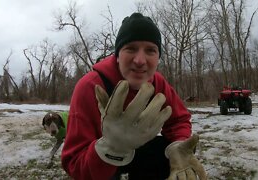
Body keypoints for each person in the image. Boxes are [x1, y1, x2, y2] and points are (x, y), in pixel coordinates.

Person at [61, 12, 207, 180]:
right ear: (117, 56)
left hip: (138, 151)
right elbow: (74, 163)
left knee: (166, 152)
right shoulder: (90, 86)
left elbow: (178, 120)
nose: (140, 60)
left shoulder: (157, 83)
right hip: (101, 158)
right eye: (131, 48)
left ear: (158, 57)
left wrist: (178, 145)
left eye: (150, 50)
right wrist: (112, 148)